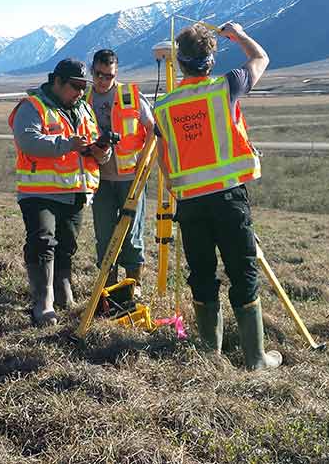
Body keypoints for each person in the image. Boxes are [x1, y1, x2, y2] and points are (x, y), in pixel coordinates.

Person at [152, 22, 280, 370]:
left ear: (180, 64)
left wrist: (177, 188)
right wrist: (236, 34)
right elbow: (261, 57)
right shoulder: (226, 87)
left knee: (202, 275)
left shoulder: (163, 107)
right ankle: (255, 359)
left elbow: (163, 159)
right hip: (228, 199)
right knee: (243, 272)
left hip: (190, 203)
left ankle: (211, 358)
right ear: (210, 61)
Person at [9, 58, 111, 326]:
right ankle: (43, 304)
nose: (80, 92)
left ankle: (64, 295)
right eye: (75, 86)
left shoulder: (84, 109)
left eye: (82, 86)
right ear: (57, 82)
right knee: (43, 242)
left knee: (67, 246)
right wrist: (68, 144)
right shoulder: (32, 107)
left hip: (76, 190)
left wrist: (101, 151)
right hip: (39, 192)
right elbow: (28, 141)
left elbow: (91, 150)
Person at [85, 49, 155, 291]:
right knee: (104, 237)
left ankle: (132, 289)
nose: (103, 80)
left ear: (116, 73)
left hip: (130, 178)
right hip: (98, 178)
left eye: (109, 76)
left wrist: (143, 163)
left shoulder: (131, 95)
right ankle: (107, 292)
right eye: (99, 74)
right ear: (91, 70)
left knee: (132, 237)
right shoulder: (83, 98)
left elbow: (152, 130)